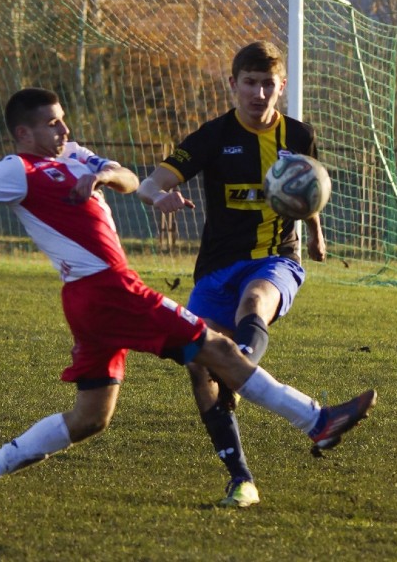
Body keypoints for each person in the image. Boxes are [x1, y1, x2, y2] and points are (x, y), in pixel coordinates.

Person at [0, 87, 376, 524]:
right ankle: (316, 421)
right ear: (24, 133)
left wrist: (108, 177)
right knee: (213, 347)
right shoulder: (15, 170)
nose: (64, 130)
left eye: (63, 121)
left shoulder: (71, 155)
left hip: (92, 298)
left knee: (92, 417)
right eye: (52, 124)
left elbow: (127, 177)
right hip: (107, 288)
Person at [138, 41, 327, 508]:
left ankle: (239, 367)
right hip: (218, 267)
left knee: (256, 300)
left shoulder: (299, 136)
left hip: (276, 257)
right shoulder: (212, 136)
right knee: (199, 364)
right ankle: (240, 478)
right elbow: (153, 180)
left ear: (281, 87)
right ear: (233, 85)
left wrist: (316, 235)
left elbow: (309, 190)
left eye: (268, 84)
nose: (259, 93)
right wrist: (156, 196)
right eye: (250, 83)